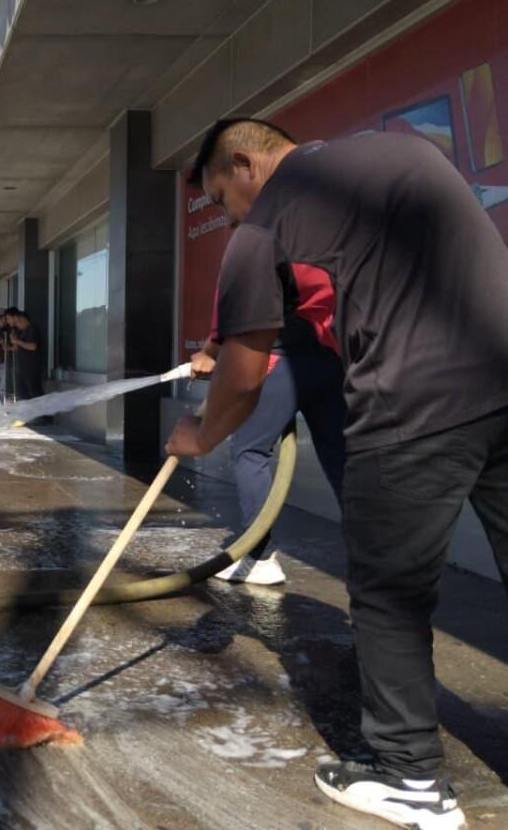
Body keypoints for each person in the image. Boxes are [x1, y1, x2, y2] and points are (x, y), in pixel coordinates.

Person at [166, 118, 508, 829]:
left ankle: (411, 777)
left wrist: (201, 436)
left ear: (242, 163)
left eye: (220, 199)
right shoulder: (406, 149)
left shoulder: (267, 224)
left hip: (410, 408)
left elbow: (244, 369)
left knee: (388, 593)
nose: (227, 217)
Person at [194, 260, 347, 586]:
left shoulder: (261, 240)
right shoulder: (325, 240)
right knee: (342, 458)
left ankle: (260, 557)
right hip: (327, 361)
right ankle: (377, 557)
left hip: (278, 359)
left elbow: (236, 307)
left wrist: (210, 351)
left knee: (250, 451)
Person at [6, 307, 42, 400]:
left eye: (18, 322)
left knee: (35, 396)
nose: (17, 325)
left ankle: (41, 415)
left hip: (31, 370)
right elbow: (17, 346)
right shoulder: (22, 331)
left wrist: (17, 341)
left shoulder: (32, 329)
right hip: (22, 369)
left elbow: (33, 346)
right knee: (23, 396)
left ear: (23, 320)